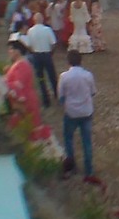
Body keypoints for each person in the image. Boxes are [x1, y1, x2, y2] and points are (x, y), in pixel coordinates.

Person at [58, 48, 98, 183]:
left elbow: (61, 96)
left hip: (71, 112)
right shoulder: (88, 75)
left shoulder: (64, 76)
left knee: (68, 139)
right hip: (86, 111)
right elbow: (93, 92)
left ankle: (71, 166)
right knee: (87, 141)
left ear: (68, 62)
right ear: (81, 61)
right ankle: (89, 171)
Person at [4, 33, 46, 138]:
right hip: (24, 100)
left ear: (18, 51)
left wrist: (3, 82)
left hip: (25, 102)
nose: (9, 52)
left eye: (11, 49)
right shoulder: (19, 64)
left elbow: (19, 85)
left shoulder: (22, 65)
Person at [25, 11, 59, 107]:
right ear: (42, 19)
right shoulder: (47, 30)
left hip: (36, 55)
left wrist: (33, 52)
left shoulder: (30, 31)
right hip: (46, 54)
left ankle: (45, 99)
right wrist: (51, 52)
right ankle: (56, 93)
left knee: (41, 78)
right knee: (52, 76)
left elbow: (28, 45)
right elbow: (53, 43)